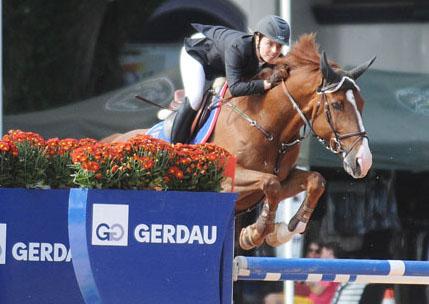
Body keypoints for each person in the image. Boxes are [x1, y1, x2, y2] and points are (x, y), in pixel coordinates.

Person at [171, 15, 291, 143]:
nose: (274, 51)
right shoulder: (238, 48)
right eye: (270, 43)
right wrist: (266, 84)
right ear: (257, 39)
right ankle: (173, 148)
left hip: (221, 62)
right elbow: (235, 88)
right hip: (198, 53)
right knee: (195, 99)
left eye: (279, 46)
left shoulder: (272, 56)